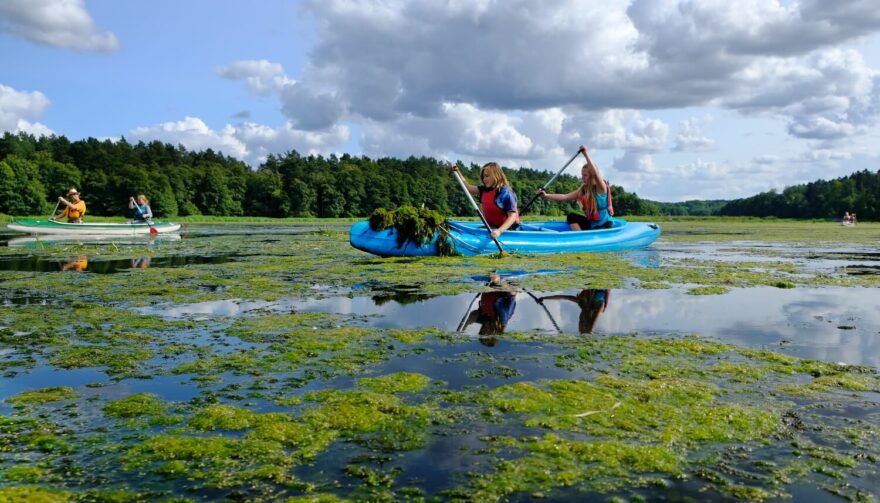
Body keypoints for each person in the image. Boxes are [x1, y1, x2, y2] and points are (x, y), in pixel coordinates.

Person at [536, 145, 613, 230]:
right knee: (571, 216)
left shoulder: (601, 188)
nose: (582, 177)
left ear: (591, 176)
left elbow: (595, 173)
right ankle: (579, 237)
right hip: (592, 225)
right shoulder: (583, 189)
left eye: (585, 175)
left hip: (604, 225)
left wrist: (585, 154)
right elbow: (564, 197)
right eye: (582, 175)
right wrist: (546, 195)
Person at [450, 162, 520, 239]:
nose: (484, 179)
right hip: (491, 228)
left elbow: (512, 216)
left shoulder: (506, 193)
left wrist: (499, 231)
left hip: (507, 230)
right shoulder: (484, 189)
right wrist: (457, 172)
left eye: (487, 176)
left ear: (496, 175)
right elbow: (468, 188)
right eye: (483, 177)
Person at [461, 273, 518, 346]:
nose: (482, 329)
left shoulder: (486, 321)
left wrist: (463, 328)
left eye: (482, 331)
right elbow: (513, 292)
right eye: (485, 332)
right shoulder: (503, 315)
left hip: (490, 281)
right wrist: (499, 281)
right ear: (493, 331)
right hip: (504, 277)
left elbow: (472, 316)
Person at [538, 289, 610, 334]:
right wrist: (544, 298)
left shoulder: (599, 304)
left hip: (598, 300)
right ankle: (583, 335)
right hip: (591, 299)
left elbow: (607, 291)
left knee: (590, 328)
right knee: (586, 327)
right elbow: (562, 297)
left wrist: (606, 304)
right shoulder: (580, 300)